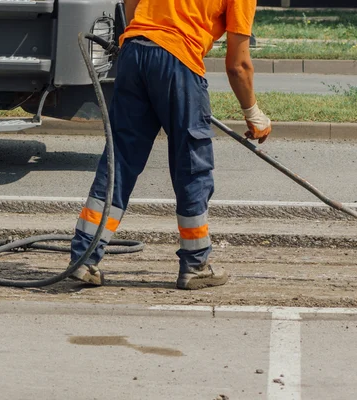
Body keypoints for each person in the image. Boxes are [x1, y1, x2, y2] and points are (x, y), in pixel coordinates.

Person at [69, 0, 272, 290]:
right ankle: (195, 264)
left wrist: (143, 47)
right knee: (192, 166)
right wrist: (253, 113)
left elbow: (131, 4)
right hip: (180, 60)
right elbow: (238, 66)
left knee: (120, 160)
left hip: (135, 51)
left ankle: (84, 257)